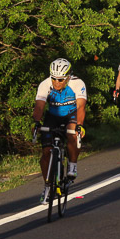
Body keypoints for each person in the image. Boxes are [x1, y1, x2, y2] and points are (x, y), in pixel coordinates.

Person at [33, 58, 87, 204]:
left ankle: (72, 164)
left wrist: (79, 126)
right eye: (54, 79)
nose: (56, 82)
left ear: (68, 77)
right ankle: (47, 186)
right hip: (53, 117)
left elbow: (81, 106)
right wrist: (37, 122)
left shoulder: (77, 83)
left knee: (72, 133)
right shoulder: (45, 85)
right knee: (46, 152)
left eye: (61, 79)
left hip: (71, 115)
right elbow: (39, 107)